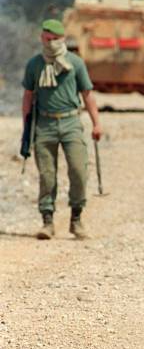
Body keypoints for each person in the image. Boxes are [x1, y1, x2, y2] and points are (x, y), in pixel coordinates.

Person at [22, 19, 102, 240]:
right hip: (44, 125)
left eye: (55, 39)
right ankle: (47, 221)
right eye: (47, 39)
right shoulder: (35, 65)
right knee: (47, 175)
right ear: (42, 38)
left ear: (63, 39)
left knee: (78, 171)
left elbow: (87, 94)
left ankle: (76, 219)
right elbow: (28, 96)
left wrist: (96, 123)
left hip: (70, 123)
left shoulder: (75, 63)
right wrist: (25, 130)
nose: (51, 43)